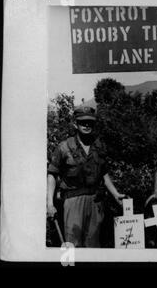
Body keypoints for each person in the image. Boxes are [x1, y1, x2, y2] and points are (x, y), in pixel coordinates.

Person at [47, 106, 125, 247]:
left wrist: (115, 194)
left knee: (93, 245)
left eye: (90, 122)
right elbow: (52, 174)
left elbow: (103, 173)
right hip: (73, 201)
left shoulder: (99, 146)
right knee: (72, 245)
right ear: (75, 124)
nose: (87, 125)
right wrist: (50, 203)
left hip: (95, 202)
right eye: (83, 122)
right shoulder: (64, 147)